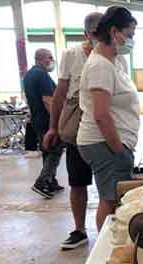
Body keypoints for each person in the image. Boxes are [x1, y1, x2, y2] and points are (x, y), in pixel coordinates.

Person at [43, 12, 103, 250]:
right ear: (85, 33)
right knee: (78, 181)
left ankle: (109, 231)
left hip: (104, 128)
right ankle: (79, 230)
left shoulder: (115, 54)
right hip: (77, 127)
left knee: (108, 182)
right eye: (95, 31)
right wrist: (52, 127)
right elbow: (60, 93)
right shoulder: (71, 54)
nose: (100, 36)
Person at [77, 7, 140, 232]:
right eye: (129, 34)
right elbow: (102, 115)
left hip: (110, 144)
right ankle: (106, 252)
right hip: (103, 144)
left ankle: (110, 244)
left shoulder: (113, 61)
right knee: (110, 199)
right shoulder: (100, 65)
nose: (131, 40)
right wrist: (119, 151)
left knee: (112, 197)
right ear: (114, 32)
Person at [24, 48, 65, 199]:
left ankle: (51, 181)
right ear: (41, 59)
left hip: (37, 119)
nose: (51, 60)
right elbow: (48, 101)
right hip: (47, 120)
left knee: (47, 150)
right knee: (55, 151)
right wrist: (58, 122)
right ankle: (42, 182)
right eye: (50, 57)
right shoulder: (42, 75)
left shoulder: (29, 74)